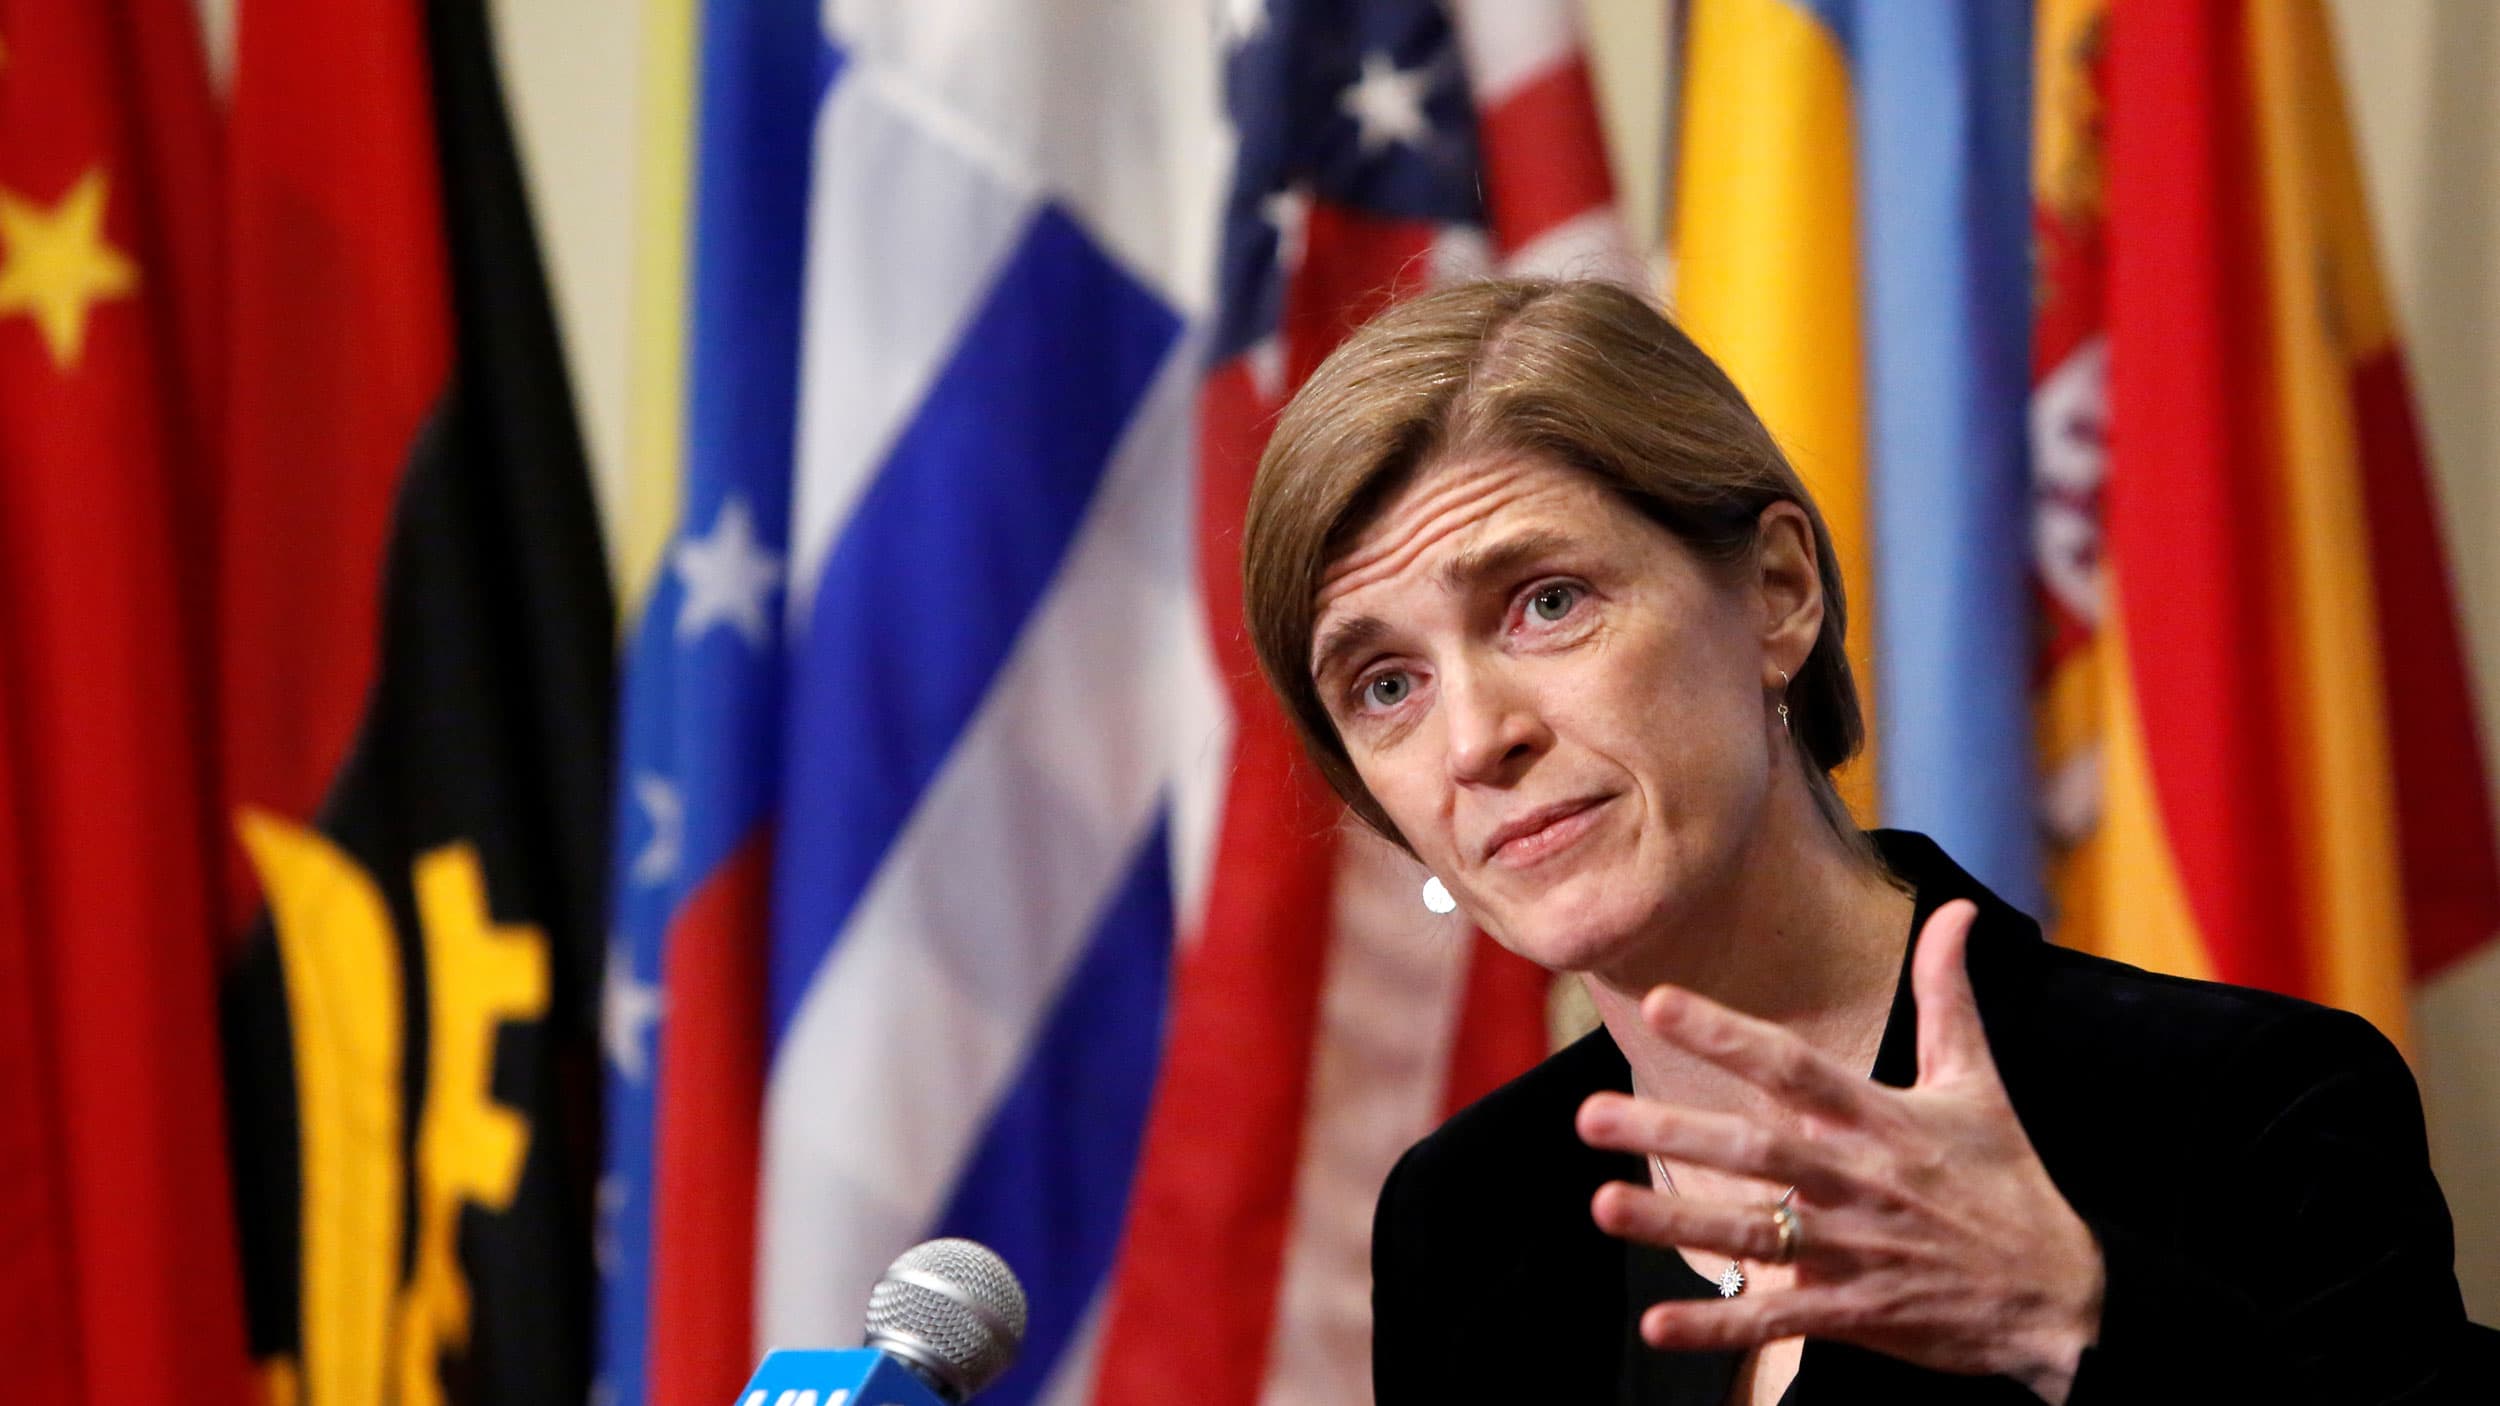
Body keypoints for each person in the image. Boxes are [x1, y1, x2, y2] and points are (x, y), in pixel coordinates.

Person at [1237, 277, 2496, 1403]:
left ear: (1776, 592)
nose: (1474, 741)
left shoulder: (2238, 1108)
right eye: (1384, 685)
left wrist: (2072, 1319)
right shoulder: (1463, 1219)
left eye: (1545, 602)